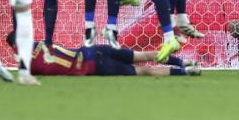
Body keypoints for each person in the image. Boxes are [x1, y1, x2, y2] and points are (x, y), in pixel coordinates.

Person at [27, 40, 200, 77]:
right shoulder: (40, 44)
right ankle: (183, 62)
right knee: (143, 55)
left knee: (145, 70)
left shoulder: (31, 64)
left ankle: (186, 71)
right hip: (94, 49)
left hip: (93, 66)